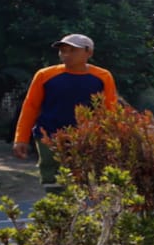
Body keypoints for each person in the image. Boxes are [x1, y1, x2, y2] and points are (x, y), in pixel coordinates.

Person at [13, 33, 117, 188]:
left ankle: (77, 202)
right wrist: (21, 138)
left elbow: (110, 110)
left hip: (85, 138)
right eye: (62, 50)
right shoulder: (44, 75)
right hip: (49, 136)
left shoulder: (102, 76)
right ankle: (53, 201)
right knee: (51, 178)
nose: (66, 54)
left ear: (89, 52)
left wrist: (111, 139)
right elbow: (30, 107)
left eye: (73, 50)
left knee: (82, 179)